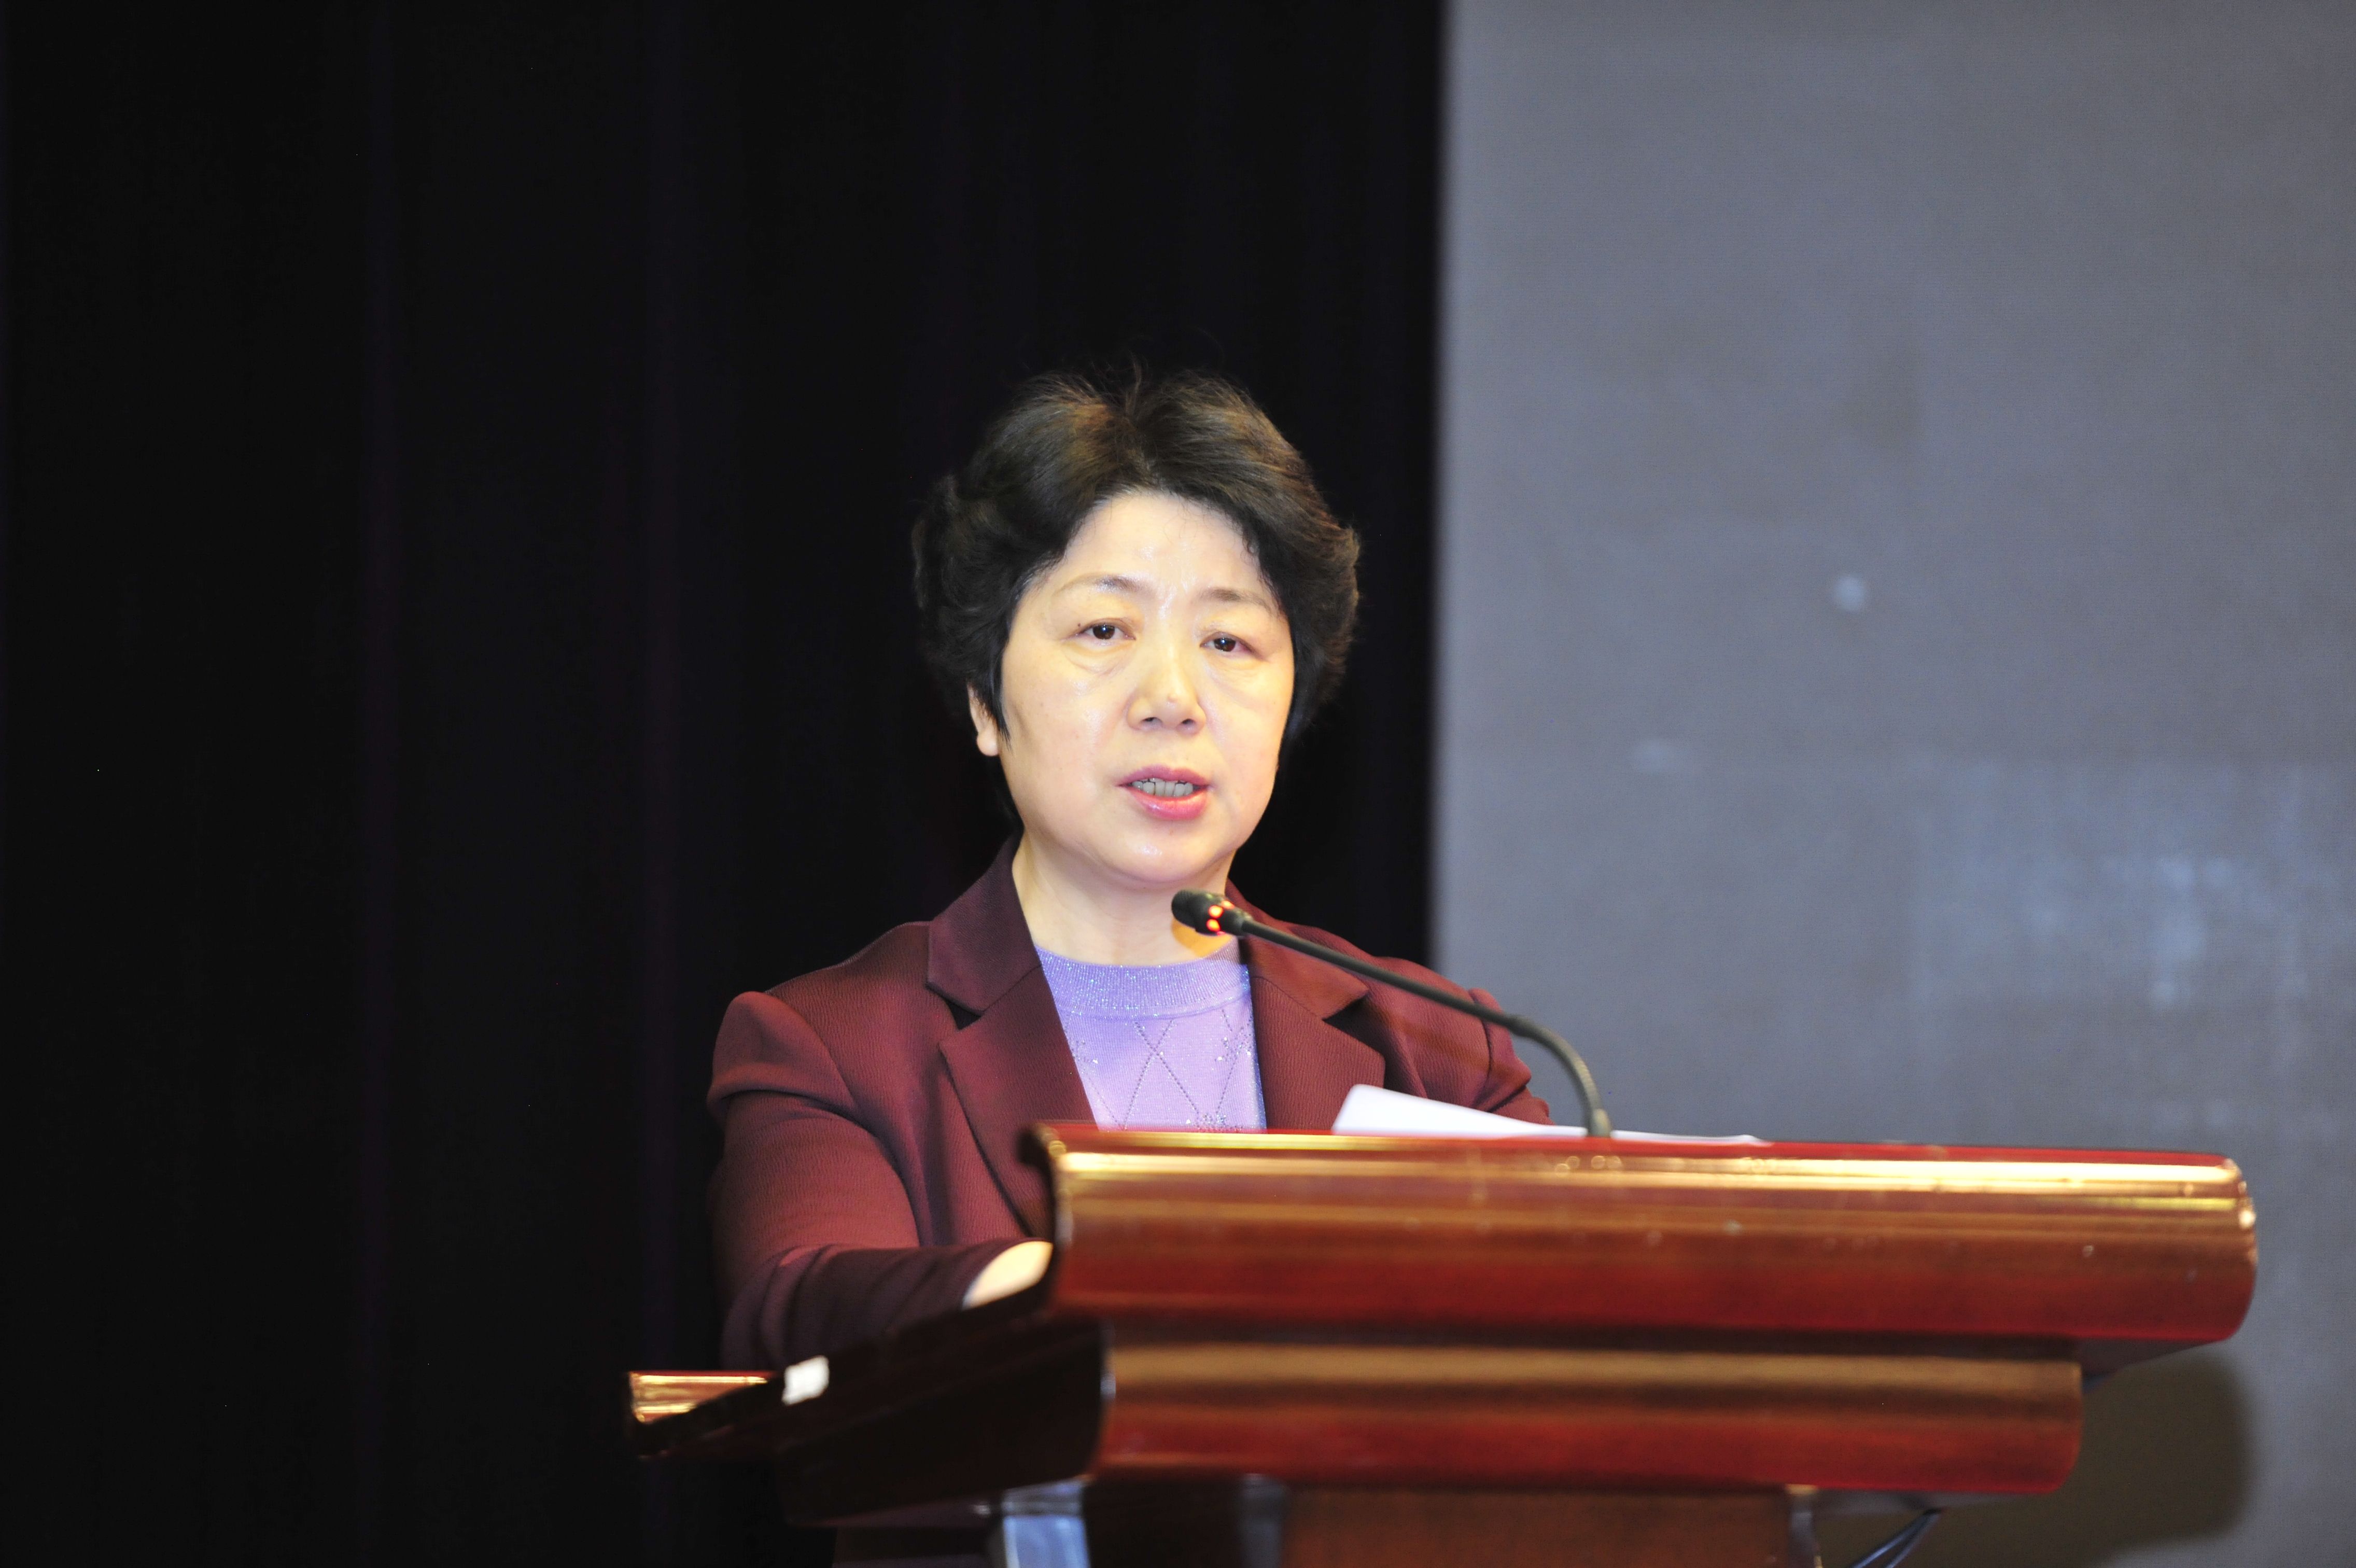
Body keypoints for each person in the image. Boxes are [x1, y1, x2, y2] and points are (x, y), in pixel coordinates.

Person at [707, 370, 1549, 1372]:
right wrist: (1130, 1277)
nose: (1173, 696)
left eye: (1229, 640)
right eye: (1104, 630)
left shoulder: (1440, 1051)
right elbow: (803, 1308)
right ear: (983, 702)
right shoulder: (832, 1047)